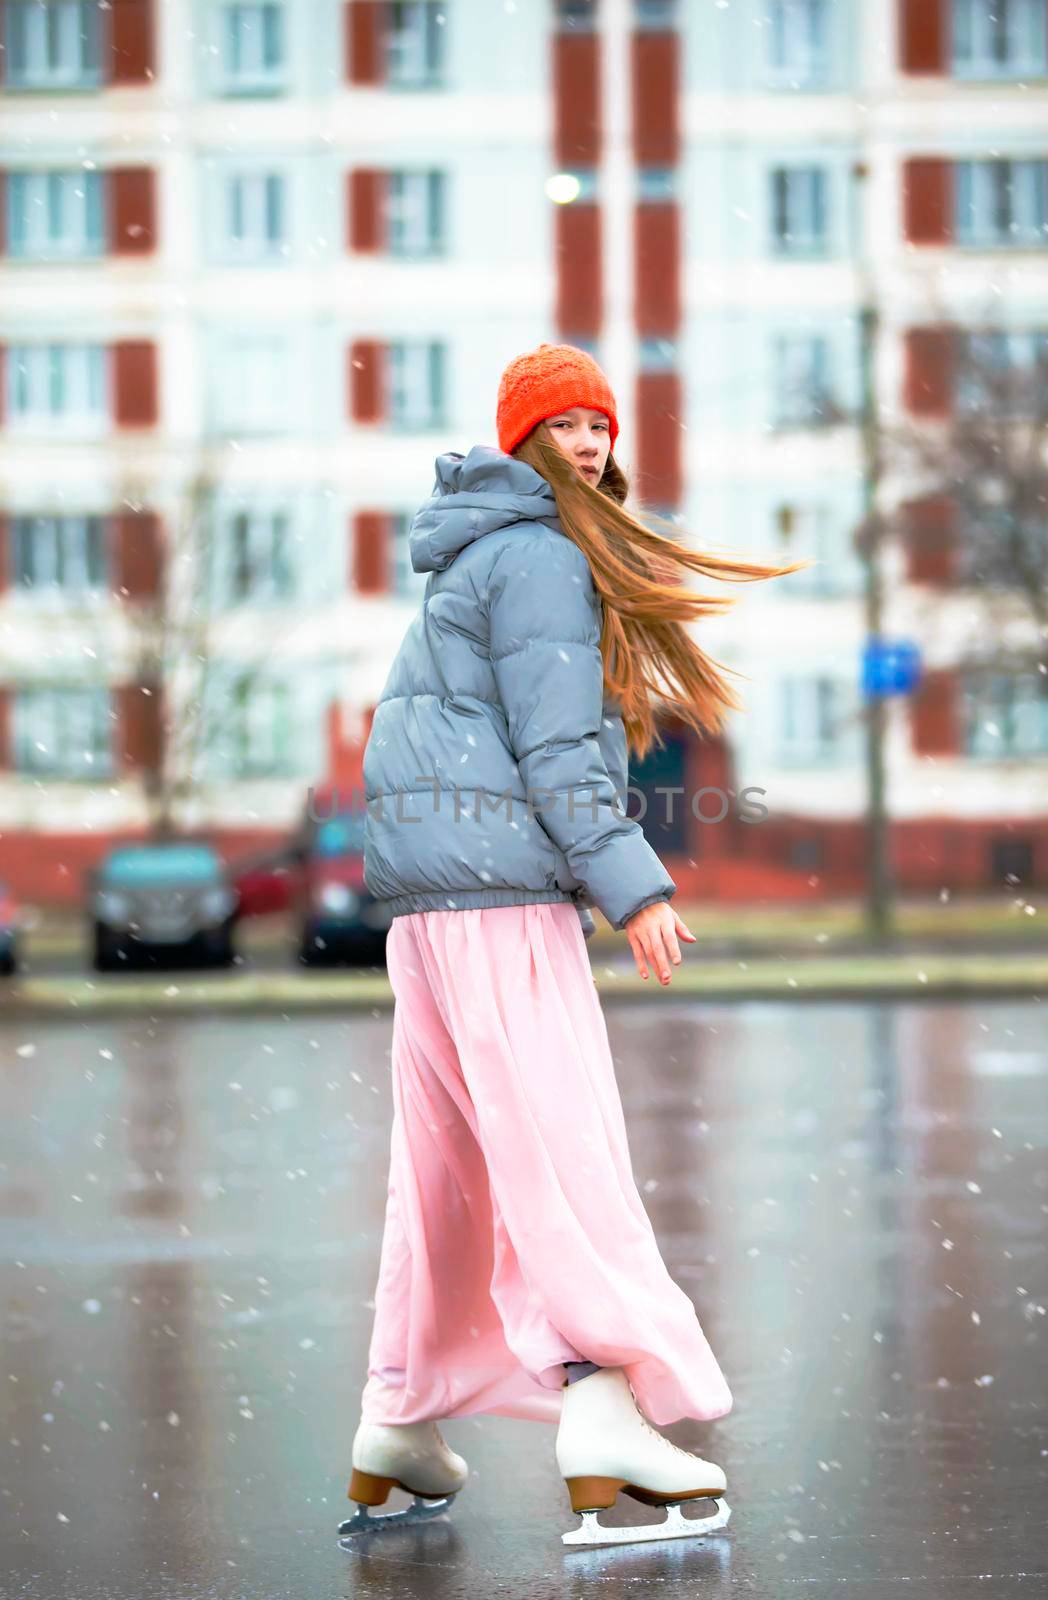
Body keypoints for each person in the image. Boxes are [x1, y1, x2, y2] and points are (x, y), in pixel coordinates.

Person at [338, 342, 806, 1547]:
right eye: (563, 425)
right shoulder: (540, 556)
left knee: (447, 1172)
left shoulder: (470, 558)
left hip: (432, 911)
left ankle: (397, 1414)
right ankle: (599, 1410)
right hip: (498, 900)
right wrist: (632, 886)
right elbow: (554, 752)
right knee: (561, 1157)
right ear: (520, 441)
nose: (589, 442)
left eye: (600, 423)